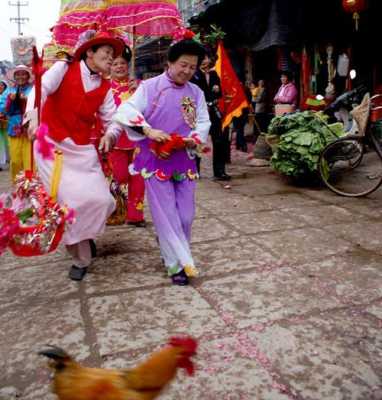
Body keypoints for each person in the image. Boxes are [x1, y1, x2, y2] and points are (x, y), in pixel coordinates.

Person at [101, 39, 211, 286]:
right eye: (183, 65)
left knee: (186, 215)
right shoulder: (150, 87)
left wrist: (192, 139)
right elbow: (126, 112)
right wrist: (149, 132)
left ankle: (170, 248)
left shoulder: (196, 93)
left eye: (192, 67)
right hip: (155, 160)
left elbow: (203, 122)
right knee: (166, 214)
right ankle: (176, 265)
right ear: (169, 62)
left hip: (184, 160)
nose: (187, 71)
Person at [25, 30, 125, 281]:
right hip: (51, 146)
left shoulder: (105, 86)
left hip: (81, 150)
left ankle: (84, 235)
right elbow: (40, 90)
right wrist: (34, 116)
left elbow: (113, 119)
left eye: (114, 55)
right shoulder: (64, 67)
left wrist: (110, 136)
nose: (111, 58)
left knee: (100, 199)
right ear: (89, 52)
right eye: (107, 52)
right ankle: (81, 258)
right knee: (68, 204)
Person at [107, 45, 146, 227]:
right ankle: (114, 211)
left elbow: (147, 108)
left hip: (137, 140)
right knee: (119, 176)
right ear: (110, 66)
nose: (119, 67)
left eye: (123, 63)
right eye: (115, 63)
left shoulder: (138, 86)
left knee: (138, 178)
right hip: (115, 140)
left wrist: (138, 90)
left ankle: (135, 216)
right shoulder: (105, 87)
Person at [191, 53, 230, 180]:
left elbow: (220, 94)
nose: (204, 61)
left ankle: (219, 171)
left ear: (209, 60)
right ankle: (194, 171)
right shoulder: (193, 74)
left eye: (206, 58)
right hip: (198, 112)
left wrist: (217, 90)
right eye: (201, 58)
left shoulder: (214, 74)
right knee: (196, 140)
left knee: (219, 140)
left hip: (213, 110)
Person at [5, 66, 33, 181]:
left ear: (28, 76)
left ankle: (30, 185)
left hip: (28, 129)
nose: (20, 77)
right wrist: (9, 100)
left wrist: (27, 100)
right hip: (14, 129)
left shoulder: (33, 89)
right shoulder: (9, 90)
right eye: (18, 74)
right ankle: (17, 184)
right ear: (14, 76)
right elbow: (4, 110)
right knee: (15, 160)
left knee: (29, 160)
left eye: (23, 74)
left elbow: (38, 105)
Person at [0, 80, 9, 170]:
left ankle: (2, 162)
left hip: (4, 124)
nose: (0, 86)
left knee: (3, 143)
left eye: (2, 85)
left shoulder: (7, 96)